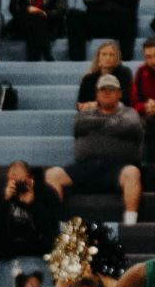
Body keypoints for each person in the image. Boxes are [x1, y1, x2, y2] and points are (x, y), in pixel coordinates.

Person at [45, 74, 143, 224]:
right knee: (52, 174)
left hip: (118, 167)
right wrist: (112, 124)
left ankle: (130, 224)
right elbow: (80, 124)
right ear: (97, 94)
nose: (107, 92)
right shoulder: (84, 115)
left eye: (111, 89)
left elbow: (130, 126)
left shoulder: (130, 113)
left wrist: (98, 124)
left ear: (119, 94)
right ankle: (53, 223)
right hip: (86, 166)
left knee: (133, 173)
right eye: (103, 89)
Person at [0, 159, 61, 261]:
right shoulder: (5, 193)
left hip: (37, 241)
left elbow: (51, 224)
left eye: (21, 182)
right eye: (14, 182)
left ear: (30, 178)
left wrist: (33, 204)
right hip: (12, 241)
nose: (18, 186)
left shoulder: (46, 192)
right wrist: (5, 201)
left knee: (55, 239)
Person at [76, 41, 132, 110]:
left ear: (117, 58)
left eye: (111, 55)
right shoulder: (88, 79)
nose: (108, 58)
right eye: (104, 54)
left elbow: (126, 98)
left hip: (117, 111)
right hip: (94, 113)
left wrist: (98, 104)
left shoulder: (124, 74)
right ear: (98, 57)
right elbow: (80, 103)